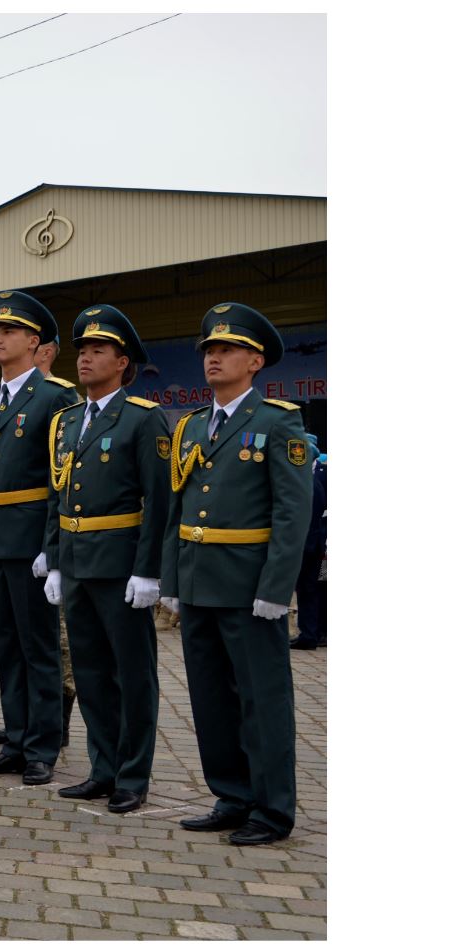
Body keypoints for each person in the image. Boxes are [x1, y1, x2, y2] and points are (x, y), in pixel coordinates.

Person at [161, 303, 311, 846]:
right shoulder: (194, 425)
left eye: (225, 350)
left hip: (250, 588)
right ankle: (231, 795)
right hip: (200, 581)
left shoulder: (278, 421)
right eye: (208, 351)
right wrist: (173, 582)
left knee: (261, 698)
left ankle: (272, 811)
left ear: (255, 360)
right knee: (210, 697)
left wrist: (277, 590)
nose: (213, 358)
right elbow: (178, 511)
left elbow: (291, 515)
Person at [46, 305, 169, 814]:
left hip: (120, 565)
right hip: (76, 562)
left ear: (123, 362)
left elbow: (159, 501)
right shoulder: (69, 420)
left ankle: (133, 775)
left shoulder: (143, 418)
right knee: (91, 671)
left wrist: (149, 570)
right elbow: (59, 494)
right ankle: (102, 768)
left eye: (99, 351)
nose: (86, 359)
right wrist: (54, 559)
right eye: (83, 351)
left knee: (131, 672)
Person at [0, 290, 81, 786]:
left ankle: (42, 745)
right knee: (5, 644)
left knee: (39, 647)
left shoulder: (57, 396)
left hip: (31, 537)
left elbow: (65, 479)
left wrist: (51, 549)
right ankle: (14, 740)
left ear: (34, 342)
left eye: (8, 331)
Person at [290, 431, 327, 650]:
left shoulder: (313, 482)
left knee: (312, 588)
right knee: (314, 588)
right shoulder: (315, 479)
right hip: (318, 546)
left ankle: (312, 633)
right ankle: (315, 632)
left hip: (315, 548)